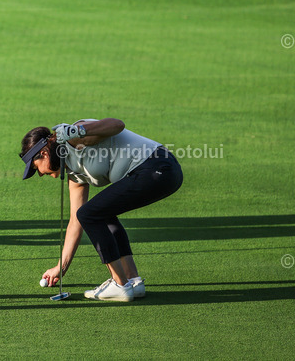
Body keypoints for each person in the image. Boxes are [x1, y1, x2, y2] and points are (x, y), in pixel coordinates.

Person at [20, 118, 183, 301]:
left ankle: (119, 284)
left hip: (158, 168)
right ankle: (132, 281)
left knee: (91, 213)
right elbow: (75, 220)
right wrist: (61, 267)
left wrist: (77, 131)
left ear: (44, 153)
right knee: (98, 212)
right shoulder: (74, 174)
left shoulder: (72, 139)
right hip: (155, 173)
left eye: (36, 168)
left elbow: (117, 125)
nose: (40, 174)